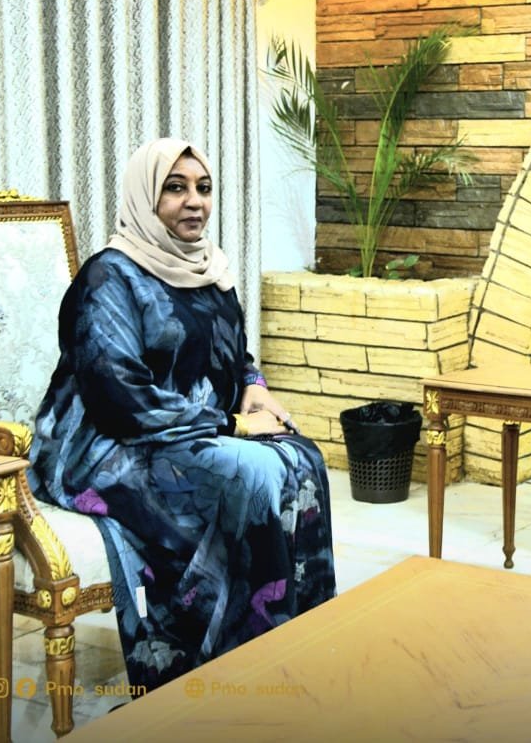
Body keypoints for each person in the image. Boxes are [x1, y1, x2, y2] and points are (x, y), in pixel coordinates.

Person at [29, 137, 335, 690]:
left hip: (184, 433)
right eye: (175, 188)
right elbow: (118, 396)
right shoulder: (108, 279)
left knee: (302, 457)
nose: (194, 201)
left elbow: (232, 354)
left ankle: (295, 645)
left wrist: (253, 388)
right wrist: (232, 425)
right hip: (105, 445)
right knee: (250, 472)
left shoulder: (208, 269)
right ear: (144, 197)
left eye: (203, 187)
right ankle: (227, 668)